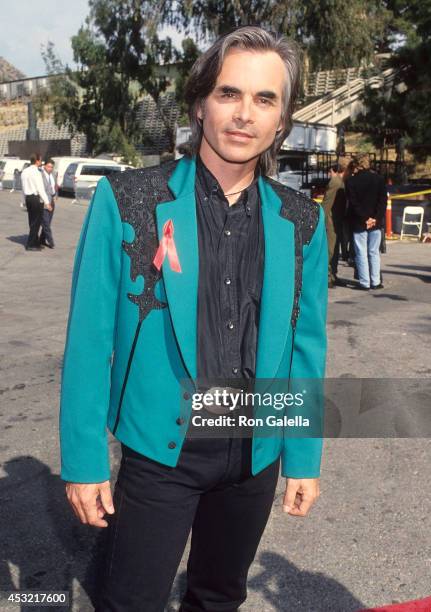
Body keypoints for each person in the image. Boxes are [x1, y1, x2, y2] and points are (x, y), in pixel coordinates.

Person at [59, 26, 328, 612]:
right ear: (200, 102)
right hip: (160, 456)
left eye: (265, 99)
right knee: (131, 600)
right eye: (230, 93)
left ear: (282, 120)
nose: (244, 114)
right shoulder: (129, 200)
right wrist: (83, 463)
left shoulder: (303, 220)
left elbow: (306, 346)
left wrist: (302, 456)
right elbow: (88, 342)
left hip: (255, 455)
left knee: (218, 596)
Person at [345, 153, 387, 290]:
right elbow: (382, 202)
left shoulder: (351, 182)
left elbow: (354, 203)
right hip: (375, 222)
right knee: (374, 252)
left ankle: (365, 282)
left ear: (357, 164)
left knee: (361, 252)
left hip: (359, 221)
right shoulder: (379, 179)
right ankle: (375, 281)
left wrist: (365, 218)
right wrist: (375, 218)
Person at [321, 159, 349, 287]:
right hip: (330, 221)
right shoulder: (336, 182)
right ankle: (326, 277)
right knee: (330, 250)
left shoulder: (342, 182)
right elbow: (327, 203)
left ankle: (333, 275)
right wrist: (320, 219)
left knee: (335, 250)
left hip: (338, 220)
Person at [20, 153, 52, 251]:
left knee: (32, 221)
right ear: (37, 161)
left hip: (28, 198)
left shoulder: (24, 171)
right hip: (36, 198)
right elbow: (40, 189)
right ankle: (31, 244)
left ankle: (35, 242)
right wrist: (47, 202)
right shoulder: (37, 172)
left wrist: (23, 200)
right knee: (36, 222)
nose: (41, 162)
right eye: (40, 160)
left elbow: (23, 187)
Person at [40, 158, 56, 248]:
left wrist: (55, 195)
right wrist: (46, 202)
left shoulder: (52, 175)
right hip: (44, 202)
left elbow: (53, 186)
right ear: (44, 166)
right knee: (45, 223)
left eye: (52, 167)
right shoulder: (40, 175)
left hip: (52, 201)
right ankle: (51, 242)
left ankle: (42, 240)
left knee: (48, 223)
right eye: (49, 166)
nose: (50, 168)